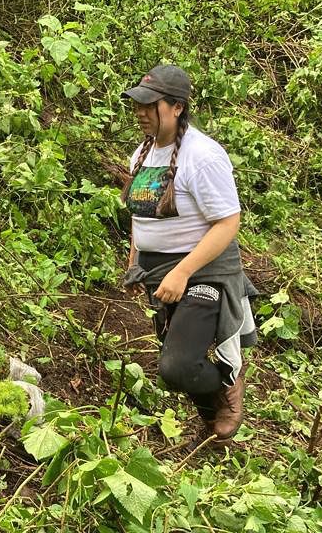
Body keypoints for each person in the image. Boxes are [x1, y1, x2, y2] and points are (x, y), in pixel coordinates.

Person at [119, 65, 258, 446]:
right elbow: (139, 216)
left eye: (151, 104)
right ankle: (214, 430)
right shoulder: (143, 154)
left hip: (202, 271)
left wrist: (182, 272)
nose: (141, 112)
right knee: (180, 356)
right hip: (158, 272)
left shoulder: (203, 156)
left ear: (177, 107)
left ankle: (231, 383)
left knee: (177, 367)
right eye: (137, 104)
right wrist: (134, 264)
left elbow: (228, 223)